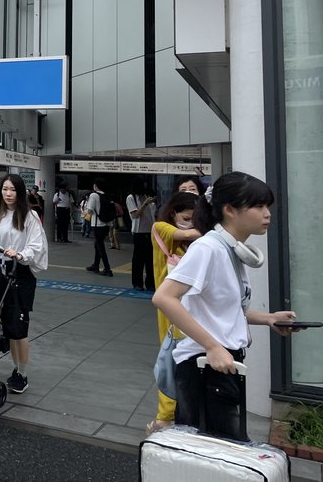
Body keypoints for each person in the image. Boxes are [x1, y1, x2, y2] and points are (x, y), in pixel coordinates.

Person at [152, 172, 298, 442]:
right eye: (258, 206)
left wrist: (268, 319)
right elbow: (164, 298)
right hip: (205, 367)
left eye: (268, 206)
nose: (267, 214)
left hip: (220, 364)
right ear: (229, 210)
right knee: (213, 452)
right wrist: (212, 346)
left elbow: (222, 310)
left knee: (221, 452)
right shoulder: (208, 248)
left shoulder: (229, 250)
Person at [0, 173, 48, 394]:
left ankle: (22, 373)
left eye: (13, 190)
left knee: (19, 327)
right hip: (1, 273)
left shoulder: (30, 216)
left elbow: (37, 246)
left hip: (21, 274)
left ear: (20, 192)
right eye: (5, 189)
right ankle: (13, 369)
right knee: (6, 325)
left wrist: (20, 254)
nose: (8, 194)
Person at [146, 191, 200, 435]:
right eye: (186, 217)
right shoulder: (161, 228)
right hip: (169, 310)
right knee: (170, 359)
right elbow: (186, 233)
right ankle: (165, 416)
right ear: (173, 212)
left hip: (194, 310)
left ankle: (182, 414)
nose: (190, 223)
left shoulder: (196, 243)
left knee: (187, 360)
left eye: (194, 219)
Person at [127, 183, 157, 291]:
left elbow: (152, 215)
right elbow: (135, 215)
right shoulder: (131, 198)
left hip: (150, 232)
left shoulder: (146, 197)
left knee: (150, 260)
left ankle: (151, 283)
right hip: (139, 232)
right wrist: (145, 204)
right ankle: (137, 283)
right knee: (138, 260)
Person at [84, 179, 114, 277]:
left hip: (97, 225)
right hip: (107, 224)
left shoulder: (94, 195)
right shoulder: (107, 196)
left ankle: (107, 269)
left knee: (100, 246)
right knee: (97, 244)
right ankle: (95, 265)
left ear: (96, 186)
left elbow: (90, 210)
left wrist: (85, 214)